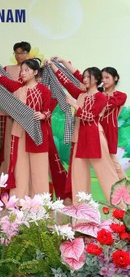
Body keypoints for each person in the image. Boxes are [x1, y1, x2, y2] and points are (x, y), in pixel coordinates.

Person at [0, 57, 53, 198]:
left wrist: (43, 115)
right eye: (22, 70)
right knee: (19, 169)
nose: (22, 73)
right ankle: (18, 201)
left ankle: (41, 204)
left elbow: (48, 110)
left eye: (26, 70)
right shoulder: (17, 88)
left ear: (35, 72)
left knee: (39, 171)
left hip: (37, 134)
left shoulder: (44, 91)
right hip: (19, 132)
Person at [50, 61, 121, 201]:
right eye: (84, 77)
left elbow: (91, 117)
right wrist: (53, 66)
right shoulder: (81, 95)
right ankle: (81, 216)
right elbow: (66, 83)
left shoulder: (101, 97)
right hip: (78, 139)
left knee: (107, 176)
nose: (84, 79)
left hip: (94, 137)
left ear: (96, 79)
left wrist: (75, 106)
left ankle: (122, 211)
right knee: (78, 179)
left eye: (88, 77)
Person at [0, 42, 31, 176]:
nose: (19, 55)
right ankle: (7, 171)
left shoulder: (34, 70)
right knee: (7, 142)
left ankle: (23, 171)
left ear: (28, 54)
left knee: (24, 143)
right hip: (8, 110)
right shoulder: (7, 69)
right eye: (16, 53)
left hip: (26, 112)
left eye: (22, 53)